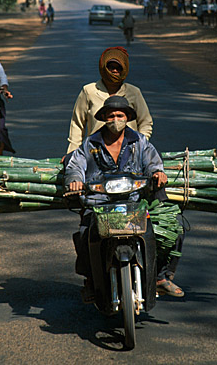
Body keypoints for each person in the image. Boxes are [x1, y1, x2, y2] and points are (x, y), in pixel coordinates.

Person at [65, 96, 184, 302]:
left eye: (120, 115)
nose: (115, 119)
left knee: (175, 227)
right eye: (111, 115)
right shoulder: (90, 144)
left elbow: (153, 162)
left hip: (135, 202)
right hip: (99, 204)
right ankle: (91, 282)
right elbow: (75, 165)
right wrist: (75, 180)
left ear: (127, 118)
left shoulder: (139, 142)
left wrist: (158, 173)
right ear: (104, 118)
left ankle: (160, 277)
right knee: (85, 234)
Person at [66, 46, 153, 154]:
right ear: (103, 68)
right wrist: (73, 153)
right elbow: (77, 124)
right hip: (96, 152)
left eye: (118, 68)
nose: (114, 71)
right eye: (111, 67)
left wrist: (140, 146)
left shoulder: (133, 92)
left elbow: (145, 122)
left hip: (129, 152)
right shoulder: (89, 91)